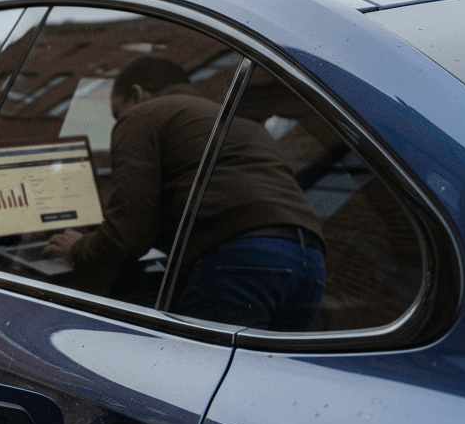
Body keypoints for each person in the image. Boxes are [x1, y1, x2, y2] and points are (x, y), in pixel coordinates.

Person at [42, 56, 326, 331]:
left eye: (118, 112)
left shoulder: (141, 116)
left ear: (136, 94)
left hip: (240, 258)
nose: (120, 120)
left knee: (197, 371)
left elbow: (128, 235)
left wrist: (77, 249)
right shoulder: (229, 120)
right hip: (310, 262)